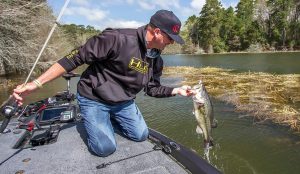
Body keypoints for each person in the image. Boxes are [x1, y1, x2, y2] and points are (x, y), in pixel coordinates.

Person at [12, 10, 193, 157]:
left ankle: (108, 119)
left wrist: (177, 90)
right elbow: (73, 58)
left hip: (123, 102)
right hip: (94, 98)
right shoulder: (117, 38)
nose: (171, 43)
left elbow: (152, 89)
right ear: (157, 32)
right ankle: (93, 117)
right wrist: (36, 83)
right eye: (170, 38)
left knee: (141, 135)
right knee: (104, 149)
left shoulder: (156, 60)